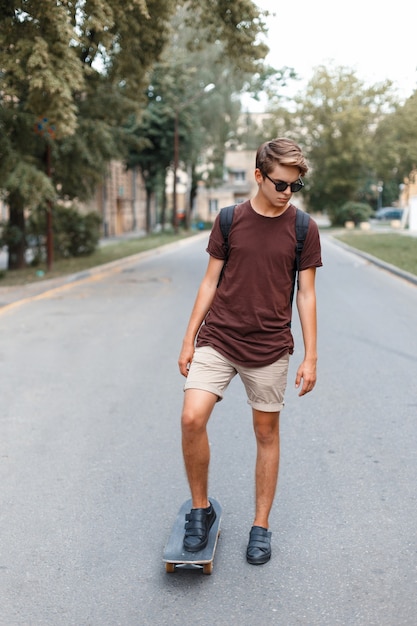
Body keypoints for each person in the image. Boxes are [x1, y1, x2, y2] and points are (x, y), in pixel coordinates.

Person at [177, 138, 322, 565]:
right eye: (280, 184)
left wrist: (311, 356)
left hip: (270, 346)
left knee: (265, 434)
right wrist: (189, 338)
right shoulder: (228, 220)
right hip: (219, 338)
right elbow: (209, 282)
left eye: (294, 186)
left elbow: (307, 296)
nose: (287, 193)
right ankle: (199, 511)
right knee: (191, 417)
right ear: (258, 176)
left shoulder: (302, 228)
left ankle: (261, 525)